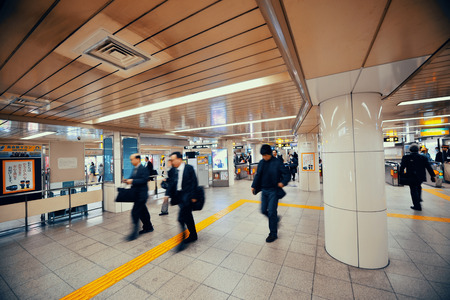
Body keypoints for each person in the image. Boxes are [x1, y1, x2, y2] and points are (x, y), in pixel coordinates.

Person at [251, 144, 290, 242]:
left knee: (272, 212)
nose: (264, 157)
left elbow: (287, 173)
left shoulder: (277, 162)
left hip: (274, 190)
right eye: (263, 155)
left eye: (265, 155)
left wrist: (283, 182)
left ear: (270, 154)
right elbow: (258, 175)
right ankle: (275, 220)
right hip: (264, 190)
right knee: (263, 210)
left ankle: (273, 234)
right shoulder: (261, 163)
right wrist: (253, 185)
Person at [164, 151, 199, 251]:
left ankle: (182, 241)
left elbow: (194, 182)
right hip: (179, 196)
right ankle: (193, 234)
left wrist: (193, 196)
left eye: (173, 159)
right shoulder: (174, 170)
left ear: (179, 159)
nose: (172, 161)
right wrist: (167, 195)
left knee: (181, 218)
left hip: (187, 197)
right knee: (188, 216)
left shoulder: (189, 168)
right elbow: (171, 183)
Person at [123, 153, 154, 240]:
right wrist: (127, 180)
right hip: (137, 195)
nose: (131, 161)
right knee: (143, 212)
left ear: (138, 159)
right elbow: (133, 178)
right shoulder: (135, 169)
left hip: (142, 195)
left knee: (135, 213)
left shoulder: (143, 168)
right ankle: (148, 227)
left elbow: (144, 180)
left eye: (132, 159)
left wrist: (132, 181)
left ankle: (134, 233)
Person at [399, 144, 436, 211]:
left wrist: (400, 174)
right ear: (418, 150)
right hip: (421, 177)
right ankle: (418, 199)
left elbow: (402, 167)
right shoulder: (423, 157)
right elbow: (429, 167)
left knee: (413, 190)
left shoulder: (406, 157)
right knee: (418, 186)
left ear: (410, 150)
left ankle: (417, 205)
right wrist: (432, 176)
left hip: (411, 176)